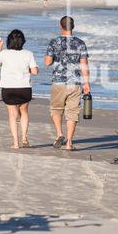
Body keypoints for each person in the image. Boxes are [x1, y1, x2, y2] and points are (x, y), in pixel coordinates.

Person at [44, 15, 90, 151]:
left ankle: (59, 134)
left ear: (60, 26)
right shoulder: (80, 43)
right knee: (72, 113)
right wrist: (86, 83)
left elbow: (47, 62)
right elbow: (84, 65)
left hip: (58, 82)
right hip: (74, 83)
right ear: (73, 27)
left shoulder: (54, 42)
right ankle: (69, 143)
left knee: (56, 110)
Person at [0, 29, 38, 149]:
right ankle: (24, 138)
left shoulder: (4, 53)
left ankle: (15, 143)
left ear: (9, 41)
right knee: (24, 112)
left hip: (8, 88)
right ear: (22, 41)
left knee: (12, 115)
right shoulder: (28, 54)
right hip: (24, 88)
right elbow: (35, 71)